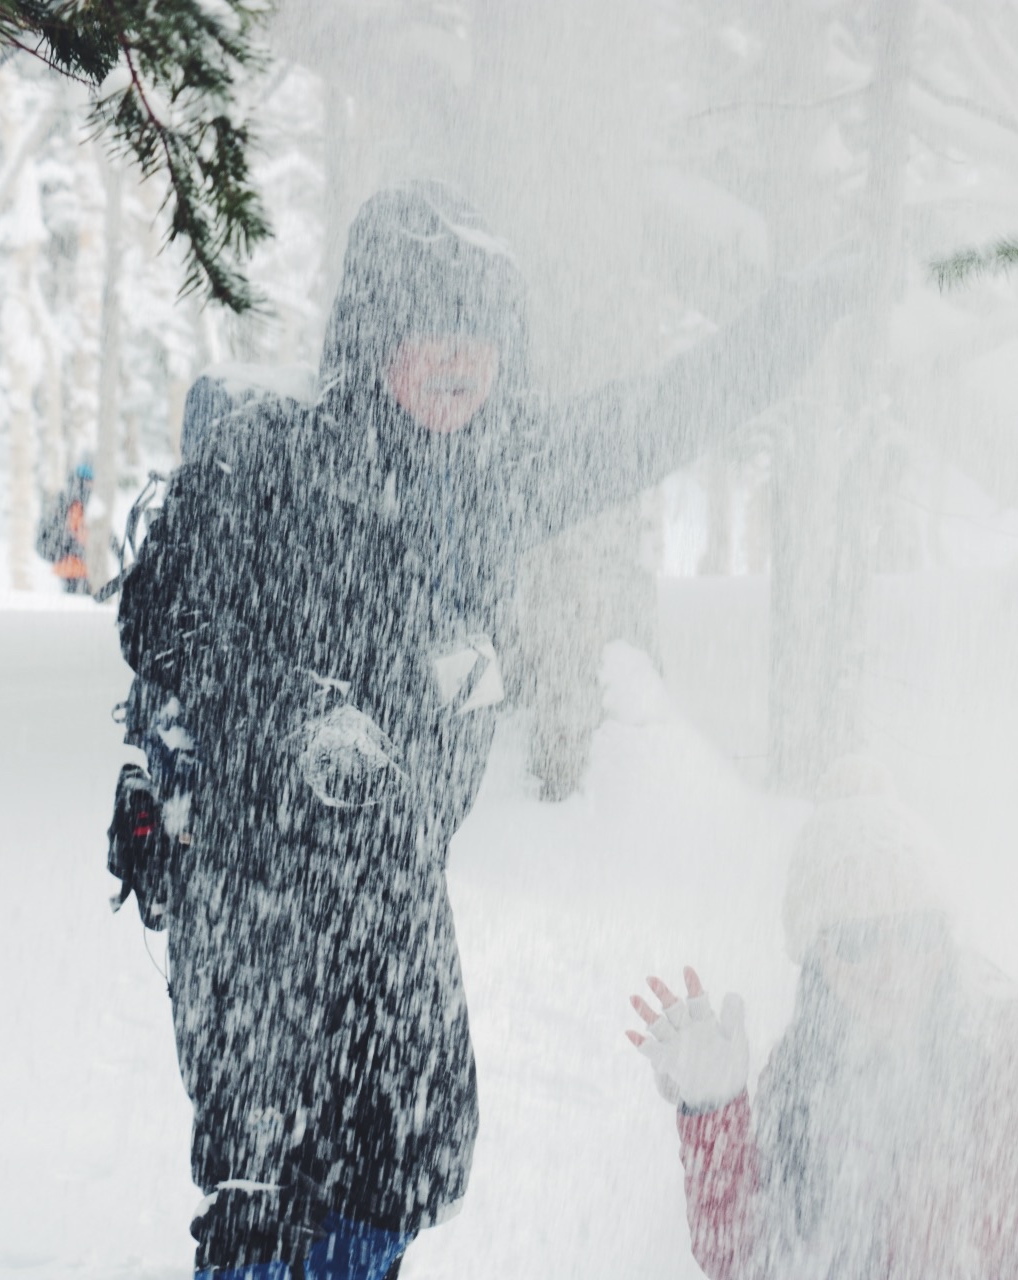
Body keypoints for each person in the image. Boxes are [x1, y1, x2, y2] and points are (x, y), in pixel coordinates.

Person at [115, 181, 860, 1280]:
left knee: (403, 1159)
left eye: (482, 333)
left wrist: (796, 321)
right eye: (429, 328)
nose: (459, 357)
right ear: (374, 335)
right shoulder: (274, 464)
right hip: (258, 900)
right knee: (267, 1198)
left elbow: (649, 422)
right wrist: (306, 724)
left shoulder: (492, 470)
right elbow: (177, 636)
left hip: (394, 893)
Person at [626, 759, 1018, 1280]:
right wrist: (714, 1113)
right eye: (859, 941)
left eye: (913, 932)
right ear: (817, 960)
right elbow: (754, 1262)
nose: (892, 964)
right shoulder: (803, 1080)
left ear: (945, 935)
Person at [37, 460, 94, 593]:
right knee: (79, 608)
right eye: (91, 482)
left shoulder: (67, 498)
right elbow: (77, 533)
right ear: (84, 481)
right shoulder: (76, 502)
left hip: (69, 566)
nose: (92, 486)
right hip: (75, 569)